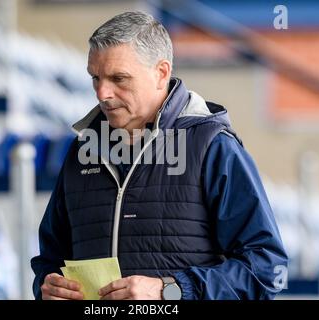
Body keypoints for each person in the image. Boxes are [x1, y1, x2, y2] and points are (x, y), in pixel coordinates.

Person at [31, 11, 288, 300]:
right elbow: (50, 259)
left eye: (119, 78)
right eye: (95, 78)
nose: (102, 93)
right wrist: (48, 287)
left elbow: (267, 271)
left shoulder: (214, 147)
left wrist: (171, 290)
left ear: (161, 73)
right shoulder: (82, 151)